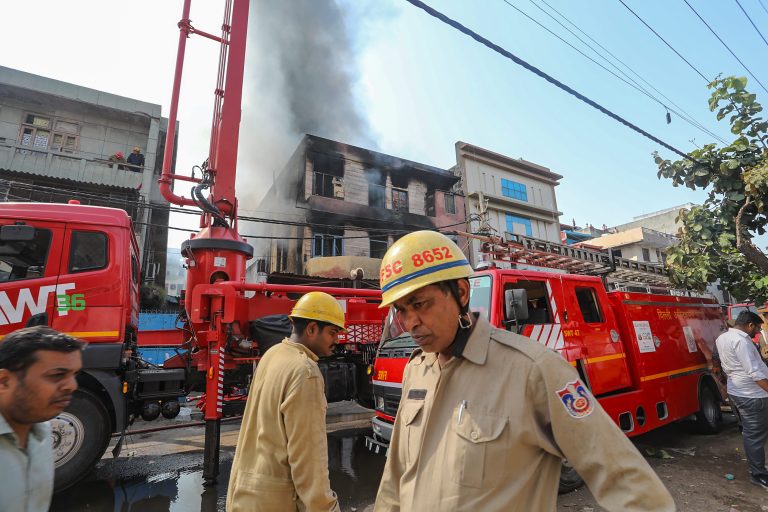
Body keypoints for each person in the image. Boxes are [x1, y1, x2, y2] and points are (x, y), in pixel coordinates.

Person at [373, 230, 675, 512]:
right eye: (400, 310)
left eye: (420, 304)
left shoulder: (532, 370)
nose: (410, 322)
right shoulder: (416, 370)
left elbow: (628, 482)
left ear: (462, 292)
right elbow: (395, 477)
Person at [227, 292, 345, 512]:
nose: (337, 340)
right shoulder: (305, 372)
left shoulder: (273, 354)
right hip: (275, 502)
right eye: (333, 332)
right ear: (311, 329)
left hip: (244, 495)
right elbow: (308, 461)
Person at [0, 326, 84, 512]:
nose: (72, 386)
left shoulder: (43, 433)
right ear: (4, 381)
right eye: (57, 375)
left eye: (74, 374)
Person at [715, 311, 768, 488]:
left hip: (738, 391)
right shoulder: (741, 341)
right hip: (752, 394)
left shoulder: (722, 338)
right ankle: (758, 473)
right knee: (754, 434)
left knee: (753, 433)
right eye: (758, 328)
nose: (759, 332)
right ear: (750, 325)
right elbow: (754, 373)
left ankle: (758, 467)